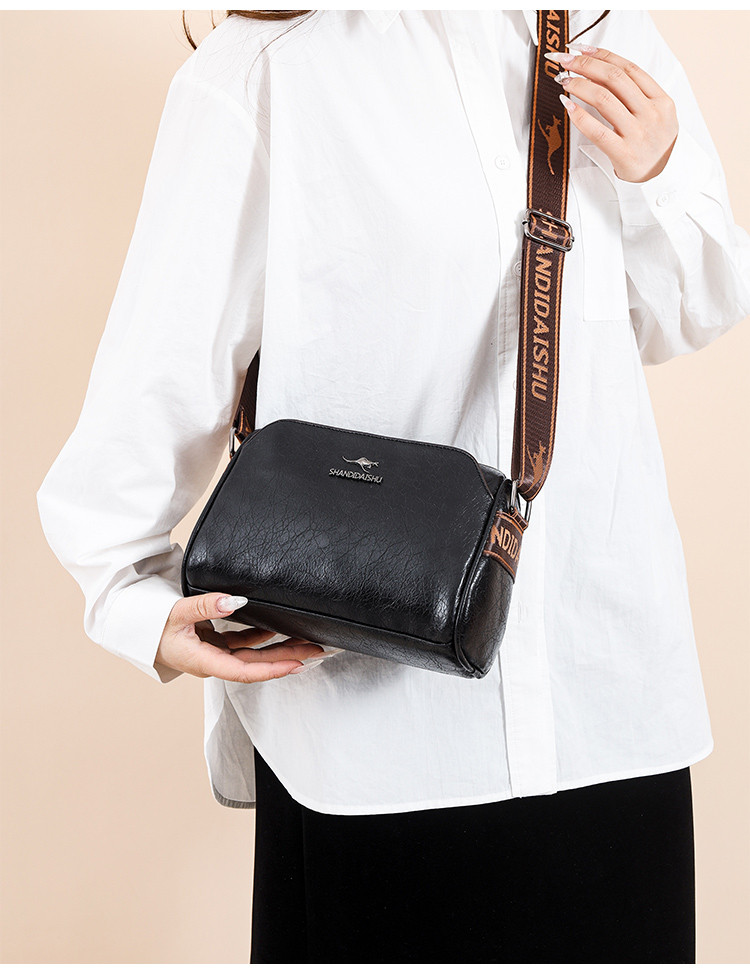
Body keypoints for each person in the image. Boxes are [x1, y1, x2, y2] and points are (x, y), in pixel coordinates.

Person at [36, 9, 749, 965]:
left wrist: (659, 172)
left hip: (610, 706)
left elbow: (688, 313)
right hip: (379, 732)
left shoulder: (601, 27)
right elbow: (159, 368)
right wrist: (131, 598)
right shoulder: (268, 72)